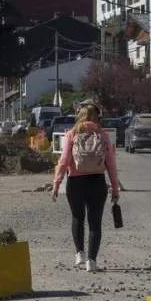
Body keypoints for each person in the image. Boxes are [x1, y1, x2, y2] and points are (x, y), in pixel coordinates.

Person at [51, 103, 120, 272]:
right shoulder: (103, 136)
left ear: (79, 116)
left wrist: (57, 183)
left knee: (77, 217)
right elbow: (111, 165)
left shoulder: (71, 134)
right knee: (95, 223)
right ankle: (91, 261)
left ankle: (79, 253)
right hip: (97, 182)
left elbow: (64, 161)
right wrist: (116, 189)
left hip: (75, 183)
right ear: (97, 118)